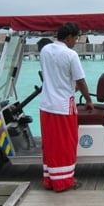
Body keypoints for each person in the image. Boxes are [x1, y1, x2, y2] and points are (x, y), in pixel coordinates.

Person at [39, 22, 94, 191]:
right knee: (65, 145)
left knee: (50, 145)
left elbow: (54, 76)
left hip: (46, 105)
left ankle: (50, 180)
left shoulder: (45, 50)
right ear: (69, 37)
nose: (76, 41)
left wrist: (70, 86)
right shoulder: (71, 55)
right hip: (63, 106)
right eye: (76, 38)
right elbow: (81, 81)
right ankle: (63, 182)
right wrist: (88, 100)